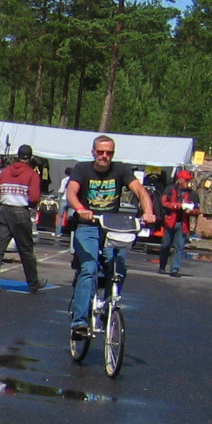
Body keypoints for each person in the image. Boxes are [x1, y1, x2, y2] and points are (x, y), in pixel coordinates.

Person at [65, 136, 156, 339]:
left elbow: (140, 191)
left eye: (109, 153)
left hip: (111, 226)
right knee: (89, 268)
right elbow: (71, 192)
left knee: (118, 267)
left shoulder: (121, 169)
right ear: (93, 152)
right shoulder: (82, 169)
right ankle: (79, 322)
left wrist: (148, 211)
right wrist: (80, 208)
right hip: (87, 224)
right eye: (100, 152)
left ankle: (108, 306)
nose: (104, 156)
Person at [0, 143, 42, 292]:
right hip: (20, 212)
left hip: (4, 210)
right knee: (26, 249)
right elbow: (35, 197)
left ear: (17, 156)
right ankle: (33, 283)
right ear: (30, 158)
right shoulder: (32, 174)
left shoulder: (4, 172)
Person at [157, 168, 198, 277]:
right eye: (186, 180)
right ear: (180, 180)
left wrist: (192, 211)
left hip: (183, 223)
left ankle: (174, 269)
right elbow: (164, 202)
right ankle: (162, 265)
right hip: (170, 221)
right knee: (165, 245)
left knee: (179, 247)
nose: (188, 183)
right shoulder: (170, 189)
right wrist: (178, 206)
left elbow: (197, 208)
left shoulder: (192, 194)